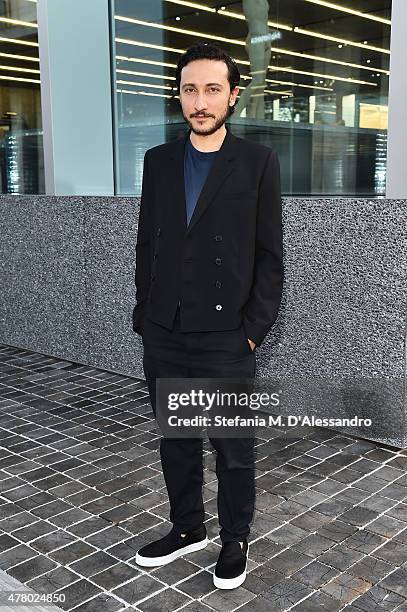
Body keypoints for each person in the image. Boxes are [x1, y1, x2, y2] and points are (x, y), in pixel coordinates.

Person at [132, 43, 284, 589]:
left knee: (232, 447)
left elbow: (270, 256)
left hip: (226, 335)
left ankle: (234, 538)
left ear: (233, 96)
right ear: (179, 95)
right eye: (191, 89)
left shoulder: (259, 162)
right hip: (165, 331)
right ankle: (186, 528)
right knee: (176, 438)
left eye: (212, 89)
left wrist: (251, 333)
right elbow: (148, 241)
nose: (201, 101)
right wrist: (145, 311)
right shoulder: (157, 161)